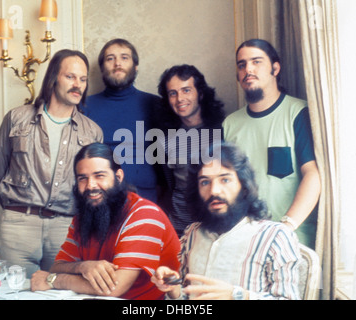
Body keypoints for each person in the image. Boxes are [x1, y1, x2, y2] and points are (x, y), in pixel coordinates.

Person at [0, 49, 104, 277]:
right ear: (53, 78)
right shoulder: (16, 118)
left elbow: (92, 185)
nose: (78, 85)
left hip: (66, 226)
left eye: (82, 79)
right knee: (16, 293)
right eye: (70, 77)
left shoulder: (92, 131)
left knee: (62, 291)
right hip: (19, 223)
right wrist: (17, 211)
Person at [151, 142, 302, 300]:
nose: (214, 190)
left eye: (225, 180)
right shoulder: (193, 234)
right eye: (205, 182)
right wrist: (173, 290)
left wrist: (237, 296)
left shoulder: (275, 237)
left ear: (244, 186)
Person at [31, 142, 180, 300]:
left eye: (99, 176)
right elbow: (57, 266)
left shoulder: (145, 215)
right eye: (83, 178)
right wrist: (83, 266)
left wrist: (53, 280)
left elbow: (114, 287)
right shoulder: (85, 215)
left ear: (119, 177)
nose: (91, 185)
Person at [223, 39, 321, 248]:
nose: (248, 69)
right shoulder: (230, 124)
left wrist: (285, 227)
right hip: (245, 243)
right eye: (242, 65)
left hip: (293, 241)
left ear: (275, 68)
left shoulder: (299, 113)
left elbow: (313, 175)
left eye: (256, 61)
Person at [83, 38, 161, 203]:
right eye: (110, 58)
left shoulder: (156, 104)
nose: (117, 63)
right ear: (102, 68)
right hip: (100, 198)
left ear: (135, 66)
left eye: (124, 58)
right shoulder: (85, 107)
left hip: (147, 199)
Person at [155, 64, 225, 237]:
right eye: (173, 93)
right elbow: (167, 185)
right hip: (178, 229)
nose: (179, 98)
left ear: (200, 93)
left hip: (216, 227)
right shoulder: (164, 137)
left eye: (186, 90)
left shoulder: (224, 131)